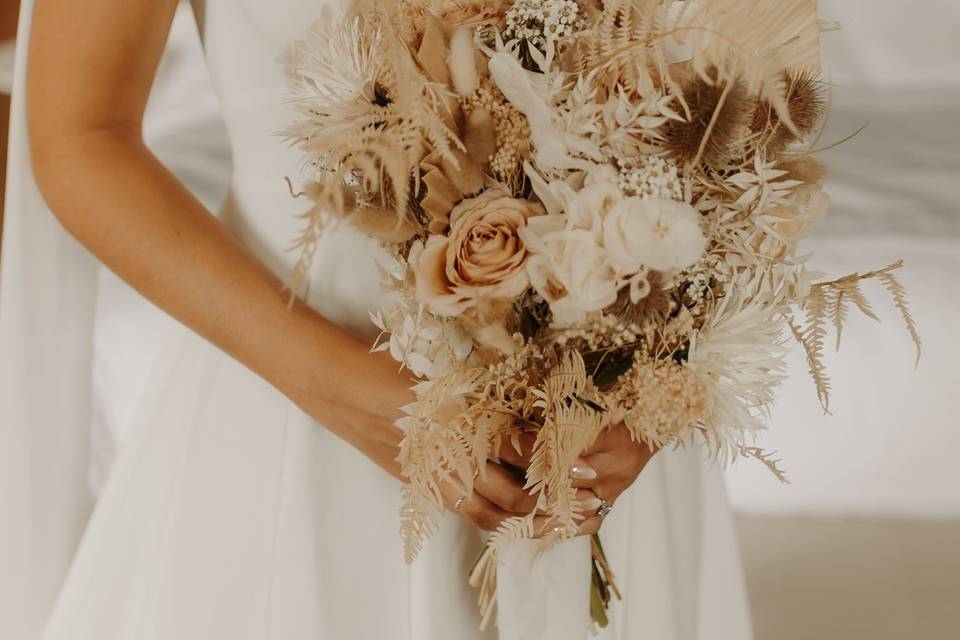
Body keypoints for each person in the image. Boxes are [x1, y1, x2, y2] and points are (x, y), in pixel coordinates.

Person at [4, 1, 753, 638]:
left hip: (607, 424)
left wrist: (658, 379)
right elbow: (82, 135)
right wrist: (353, 395)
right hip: (305, 413)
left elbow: (741, 94)